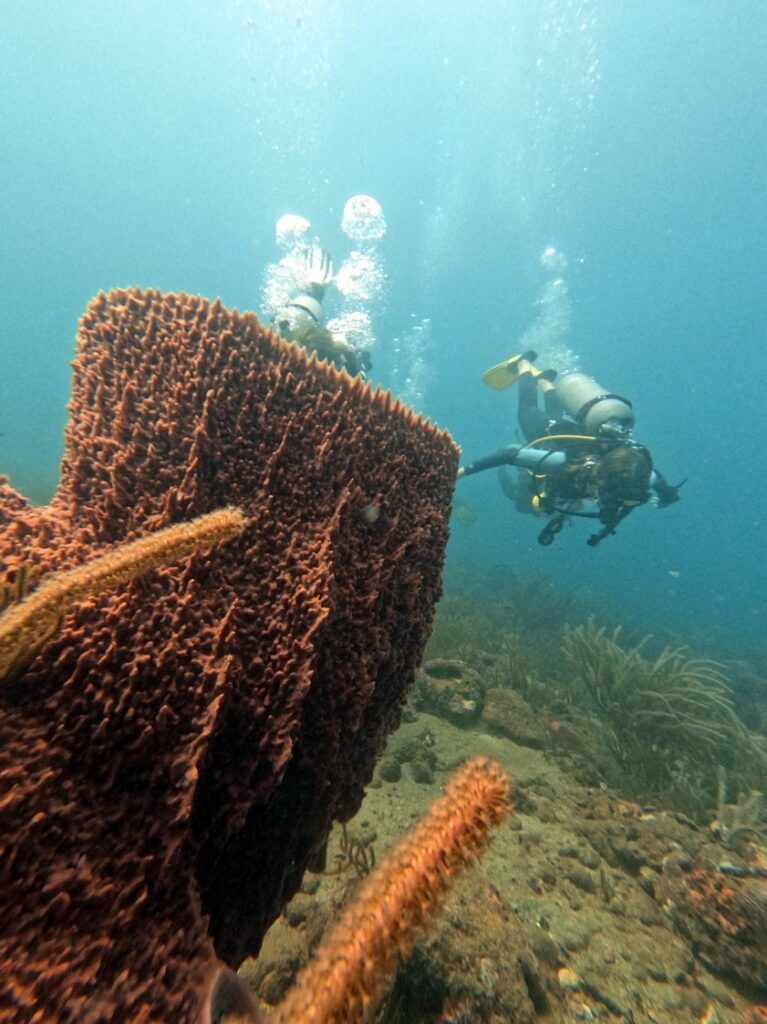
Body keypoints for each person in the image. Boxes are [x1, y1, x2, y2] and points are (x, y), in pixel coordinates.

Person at [458, 351, 683, 547]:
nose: (624, 504)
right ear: (602, 481)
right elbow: (509, 455)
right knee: (527, 410)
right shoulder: (565, 463)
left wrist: (666, 492)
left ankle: (546, 382)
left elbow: (655, 478)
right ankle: (524, 364)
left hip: (573, 432)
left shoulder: (637, 479)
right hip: (550, 434)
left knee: (554, 414)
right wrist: (458, 473)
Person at [273, 243, 371, 377]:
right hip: (308, 337)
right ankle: (314, 292)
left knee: (294, 320)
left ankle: (314, 292)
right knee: (295, 320)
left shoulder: (343, 363)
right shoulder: (342, 366)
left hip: (322, 346)